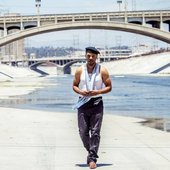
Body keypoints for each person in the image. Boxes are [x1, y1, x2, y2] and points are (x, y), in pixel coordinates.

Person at [72, 47, 112, 169]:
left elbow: (109, 86)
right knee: (83, 132)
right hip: (83, 102)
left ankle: (92, 159)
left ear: (96, 57)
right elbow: (74, 85)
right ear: (85, 56)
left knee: (95, 132)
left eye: (93, 56)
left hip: (97, 102)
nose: (90, 58)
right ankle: (91, 152)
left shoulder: (102, 70)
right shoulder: (79, 70)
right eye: (88, 56)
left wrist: (97, 92)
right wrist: (81, 92)